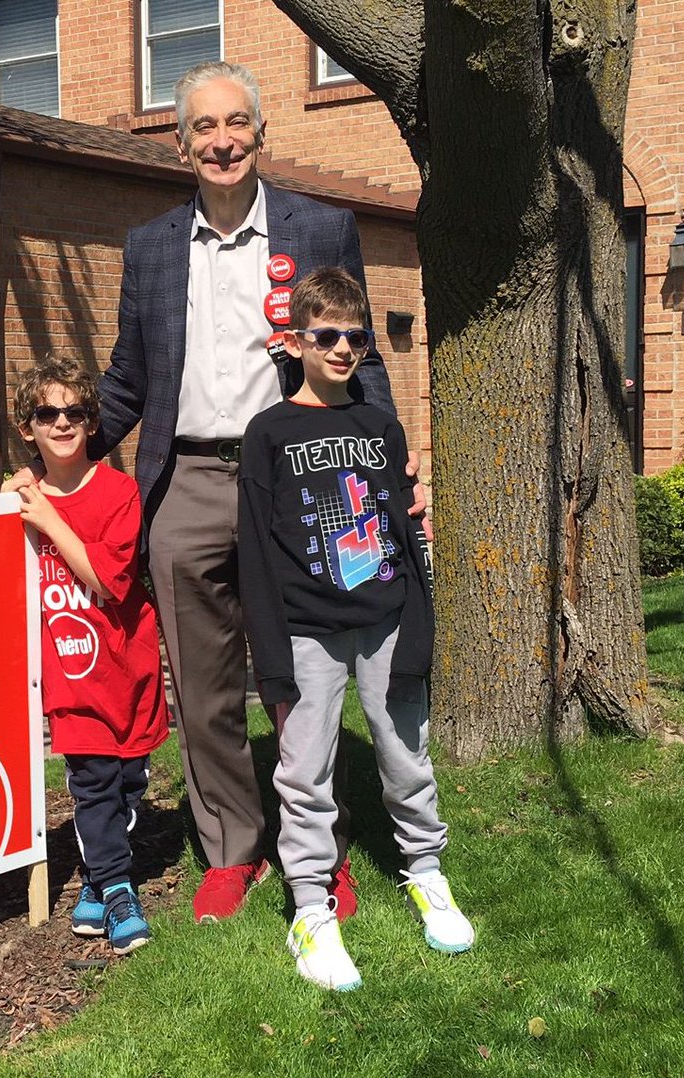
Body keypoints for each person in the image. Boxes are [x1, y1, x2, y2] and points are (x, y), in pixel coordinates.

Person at [90, 60, 421, 923]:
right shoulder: (151, 246)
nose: (223, 141)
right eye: (205, 127)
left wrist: (386, 465)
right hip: (187, 480)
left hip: (296, 482)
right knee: (202, 687)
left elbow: (363, 355)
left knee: (303, 676)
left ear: (261, 134)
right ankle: (233, 850)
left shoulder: (320, 228)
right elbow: (129, 379)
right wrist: (69, 450)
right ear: (181, 142)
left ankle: (321, 849)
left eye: (237, 123)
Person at [237, 268, 474, 991]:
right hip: (307, 627)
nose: (342, 348)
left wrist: (418, 593)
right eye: (327, 335)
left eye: (355, 336)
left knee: (407, 755)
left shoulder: (379, 423)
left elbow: (404, 525)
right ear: (295, 341)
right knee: (304, 773)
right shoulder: (268, 432)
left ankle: (426, 871)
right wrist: (272, 654)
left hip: (384, 616)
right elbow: (254, 545)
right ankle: (311, 909)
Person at [3, 355, 170, 953]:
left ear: (93, 422)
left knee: (128, 781)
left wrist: (46, 516)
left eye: (75, 411)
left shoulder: (119, 492)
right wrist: (18, 504)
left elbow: (105, 578)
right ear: (29, 427)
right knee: (93, 783)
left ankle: (96, 881)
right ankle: (119, 887)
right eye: (48, 413)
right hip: (70, 678)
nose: (63, 422)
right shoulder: (19, 503)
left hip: (127, 669)